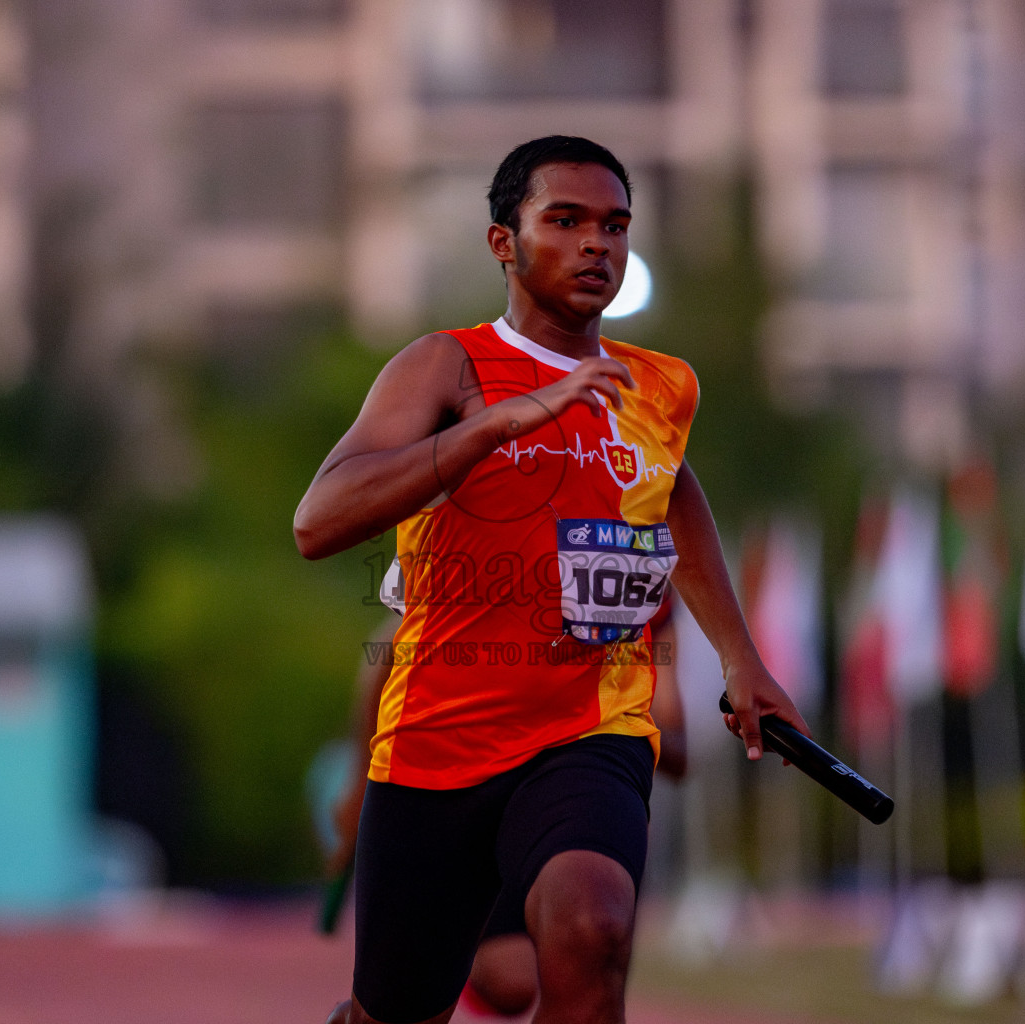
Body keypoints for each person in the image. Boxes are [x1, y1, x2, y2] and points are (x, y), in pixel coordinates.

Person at [295, 134, 807, 1024]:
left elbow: (674, 496)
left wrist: (740, 658)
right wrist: (496, 426)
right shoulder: (444, 366)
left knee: (594, 927)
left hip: (588, 732)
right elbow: (319, 521)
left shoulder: (660, 388)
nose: (596, 245)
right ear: (504, 241)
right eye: (565, 221)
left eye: (615, 225)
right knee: (395, 1011)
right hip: (437, 744)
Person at [327, 594, 687, 1017]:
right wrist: (358, 787)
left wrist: (613, 702)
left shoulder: (648, 581)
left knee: (592, 944)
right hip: (463, 766)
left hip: (573, 779)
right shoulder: (488, 544)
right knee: (508, 985)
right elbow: (388, 655)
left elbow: (678, 748)